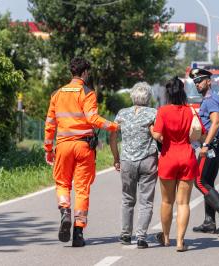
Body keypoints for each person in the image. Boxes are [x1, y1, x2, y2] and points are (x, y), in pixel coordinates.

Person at [44, 57, 119, 247]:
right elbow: (92, 118)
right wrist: (113, 126)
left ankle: (65, 212)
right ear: (85, 73)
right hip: (83, 146)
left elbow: (50, 125)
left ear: (72, 72)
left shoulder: (57, 94)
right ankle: (78, 232)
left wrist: (48, 149)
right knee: (82, 189)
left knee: (62, 183)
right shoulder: (87, 92)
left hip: (62, 146)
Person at [151, 76, 205, 252]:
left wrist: (152, 130)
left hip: (168, 158)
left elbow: (158, 135)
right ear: (182, 92)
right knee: (183, 203)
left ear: (168, 93)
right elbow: (201, 133)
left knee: (167, 201)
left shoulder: (163, 111)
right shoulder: (191, 111)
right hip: (186, 157)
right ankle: (181, 242)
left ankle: (166, 238)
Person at [109, 82, 158, 249]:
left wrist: (116, 158)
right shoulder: (154, 113)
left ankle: (125, 234)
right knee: (146, 201)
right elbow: (158, 135)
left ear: (132, 96)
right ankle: (142, 237)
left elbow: (113, 137)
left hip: (127, 161)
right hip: (148, 160)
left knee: (127, 199)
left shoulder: (122, 114)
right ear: (149, 98)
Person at [189, 68, 219, 234]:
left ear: (209, 81)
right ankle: (209, 221)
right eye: (195, 82)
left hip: (212, 146)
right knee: (207, 182)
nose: (197, 84)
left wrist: (205, 145)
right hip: (216, 145)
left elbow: (215, 123)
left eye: (200, 81)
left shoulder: (210, 100)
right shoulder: (209, 98)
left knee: (200, 182)